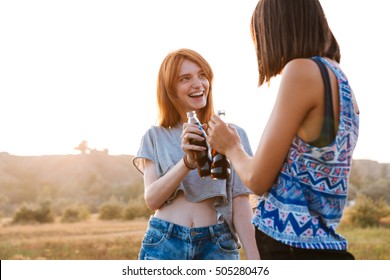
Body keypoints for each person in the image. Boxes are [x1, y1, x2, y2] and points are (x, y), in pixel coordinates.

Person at [206, 0, 359, 260]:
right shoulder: (339, 78)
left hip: (289, 246)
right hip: (324, 244)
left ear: (278, 28)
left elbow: (257, 179)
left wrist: (231, 146)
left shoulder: (301, 70)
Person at [132, 48, 259, 260]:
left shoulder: (231, 135)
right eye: (185, 78)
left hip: (217, 244)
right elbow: (152, 200)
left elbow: (241, 205)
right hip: (165, 242)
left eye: (202, 75)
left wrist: (257, 262)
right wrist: (187, 162)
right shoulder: (154, 136)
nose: (198, 84)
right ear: (170, 88)